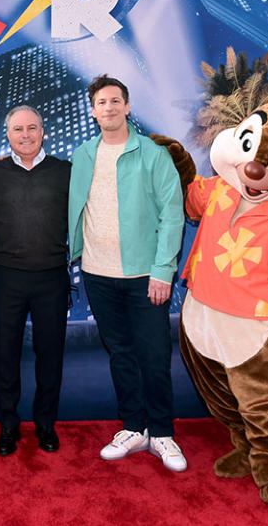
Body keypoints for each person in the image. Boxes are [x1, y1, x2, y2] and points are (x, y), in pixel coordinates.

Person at [68, 75, 186, 471]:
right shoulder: (83, 154)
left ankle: (163, 433)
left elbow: (173, 215)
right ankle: (134, 428)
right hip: (97, 274)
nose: (109, 108)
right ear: (93, 109)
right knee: (120, 354)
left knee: (153, 356)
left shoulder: (153, 154)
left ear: (127, 106)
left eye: (115, 100)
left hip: (144, 276)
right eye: (101, 102)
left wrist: (163, 271)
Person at [0, 105, 71, 456]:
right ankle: (7, 427)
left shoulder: (66, 172)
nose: (25, 135)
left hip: (52, 278)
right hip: (8, 278)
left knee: (50, 356)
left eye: (32, 128)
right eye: (17, 129)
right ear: (7, 134)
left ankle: (45, 426)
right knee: (5, 356)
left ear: (43, 131)